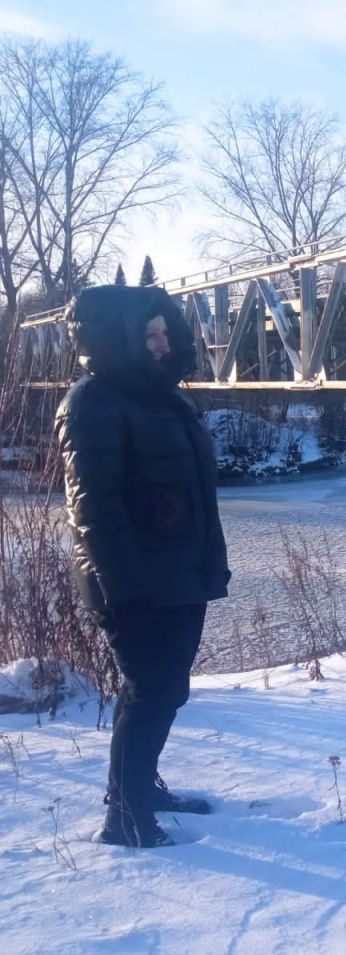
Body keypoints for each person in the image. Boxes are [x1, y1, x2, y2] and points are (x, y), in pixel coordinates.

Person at [56, 285, 231, 847]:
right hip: (134, 582)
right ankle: (125, 817)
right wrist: (122, 587)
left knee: (169, 690)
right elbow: (94, 509)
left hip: (180, 571)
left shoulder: (168, 400)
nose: (161, 345)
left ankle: (142, 789)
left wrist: (206, 564)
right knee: (148, 691)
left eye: (165, 334)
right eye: (149, 335)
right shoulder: (92, 402)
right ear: (121, 339)